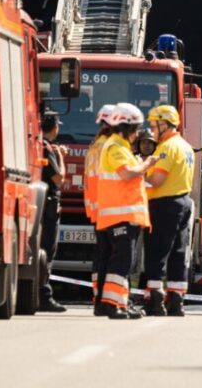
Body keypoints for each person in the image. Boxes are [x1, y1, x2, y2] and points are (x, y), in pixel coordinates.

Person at [96, 103, 156, 319]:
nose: (138, 134)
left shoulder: (120, 147)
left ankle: (119, 303)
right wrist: (147, 164)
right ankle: (112, 304)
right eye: (136, 129)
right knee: (121, 261)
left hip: (124, 214)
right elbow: (128, 174)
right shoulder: (115, 147)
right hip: (119, 214)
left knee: (125, 261)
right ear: (125, 127)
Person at [143, 105, 195, 317]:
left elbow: (157, 180)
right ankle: (176, 300)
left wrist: (141, 172)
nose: (152, 128)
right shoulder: (186, 146)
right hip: (183, 202)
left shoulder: (166, 148)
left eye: (154, 124)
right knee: (178, 253)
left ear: (164, 123)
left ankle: (155, 301)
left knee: (156, 252)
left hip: (164, 204)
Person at [83, 104, 115, 315]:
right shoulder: (109, 147)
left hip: (97, 208)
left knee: (102, 255)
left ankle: (99, 299)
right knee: (113, 256)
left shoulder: (95, 145)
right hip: (111, 207)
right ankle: (108, 301)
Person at [39, 112, 67, 313]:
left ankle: (40, 294)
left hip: (43, 205)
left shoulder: (39, 145)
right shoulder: (47, 149)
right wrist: (60, 157)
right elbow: (59, 178)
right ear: (55, 128)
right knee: (47, 252)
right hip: (48, 208)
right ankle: (44, 296)